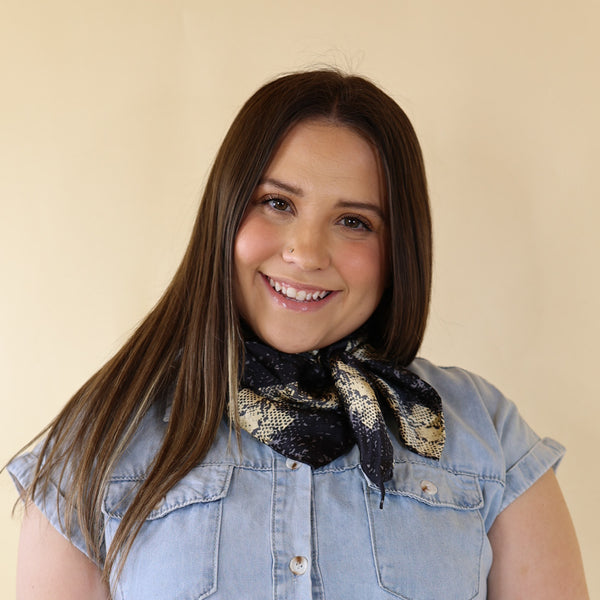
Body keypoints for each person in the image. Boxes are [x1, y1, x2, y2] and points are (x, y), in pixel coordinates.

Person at [6, 70, 588, 599]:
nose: (306, 253)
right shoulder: (100, 441)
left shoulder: (486, 437)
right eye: (277, 203)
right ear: (225, 215)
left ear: (398, 252)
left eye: (354, 221)